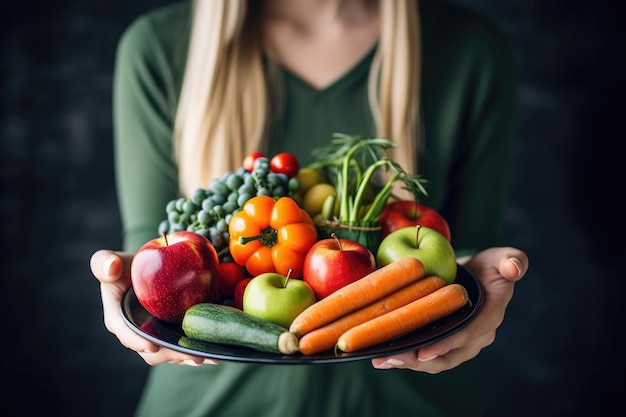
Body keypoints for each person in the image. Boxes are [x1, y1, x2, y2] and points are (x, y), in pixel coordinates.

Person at [90, 0, 529, 416]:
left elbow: (465, 251)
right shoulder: (157, 46)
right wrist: (132, 283)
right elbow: (151, 250)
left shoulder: (470, 49)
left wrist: (478, 290)